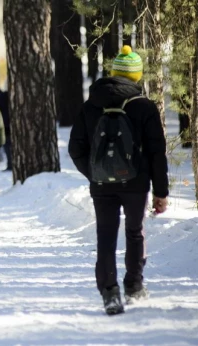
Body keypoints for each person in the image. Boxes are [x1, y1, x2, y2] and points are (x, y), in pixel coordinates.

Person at [68, 46, 169, 315]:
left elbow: (75, 148)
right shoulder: (144, 107)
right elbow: (157, 152)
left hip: (102, 186)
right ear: (136, 76)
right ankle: (134, 285)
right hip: (136, 183)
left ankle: (110, 293)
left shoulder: (91, 105)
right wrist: (161, 191)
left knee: (105, 236)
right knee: (135, 232)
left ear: (113, 74)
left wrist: (95, 172)